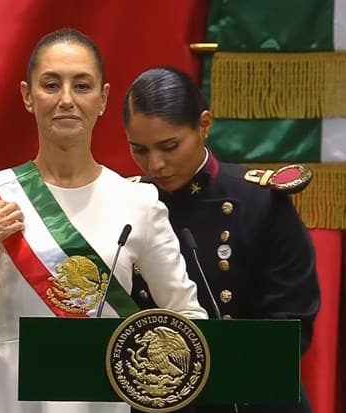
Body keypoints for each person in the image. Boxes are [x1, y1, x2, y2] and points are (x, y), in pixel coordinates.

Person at [0, 30, 208, 413]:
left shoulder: (138, 203)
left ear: (103, 99)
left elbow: (188, 319)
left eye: (82, 85)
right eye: (51, 84)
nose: (66, 100)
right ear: (28, 97)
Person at [123, 67, 320, 413]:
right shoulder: (125, 204)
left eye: (170, 146)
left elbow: (292, 324)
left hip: (252, 395)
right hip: (157, 399)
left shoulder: (260, 200)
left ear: (204, 125)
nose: (156, 164)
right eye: (139, 150)